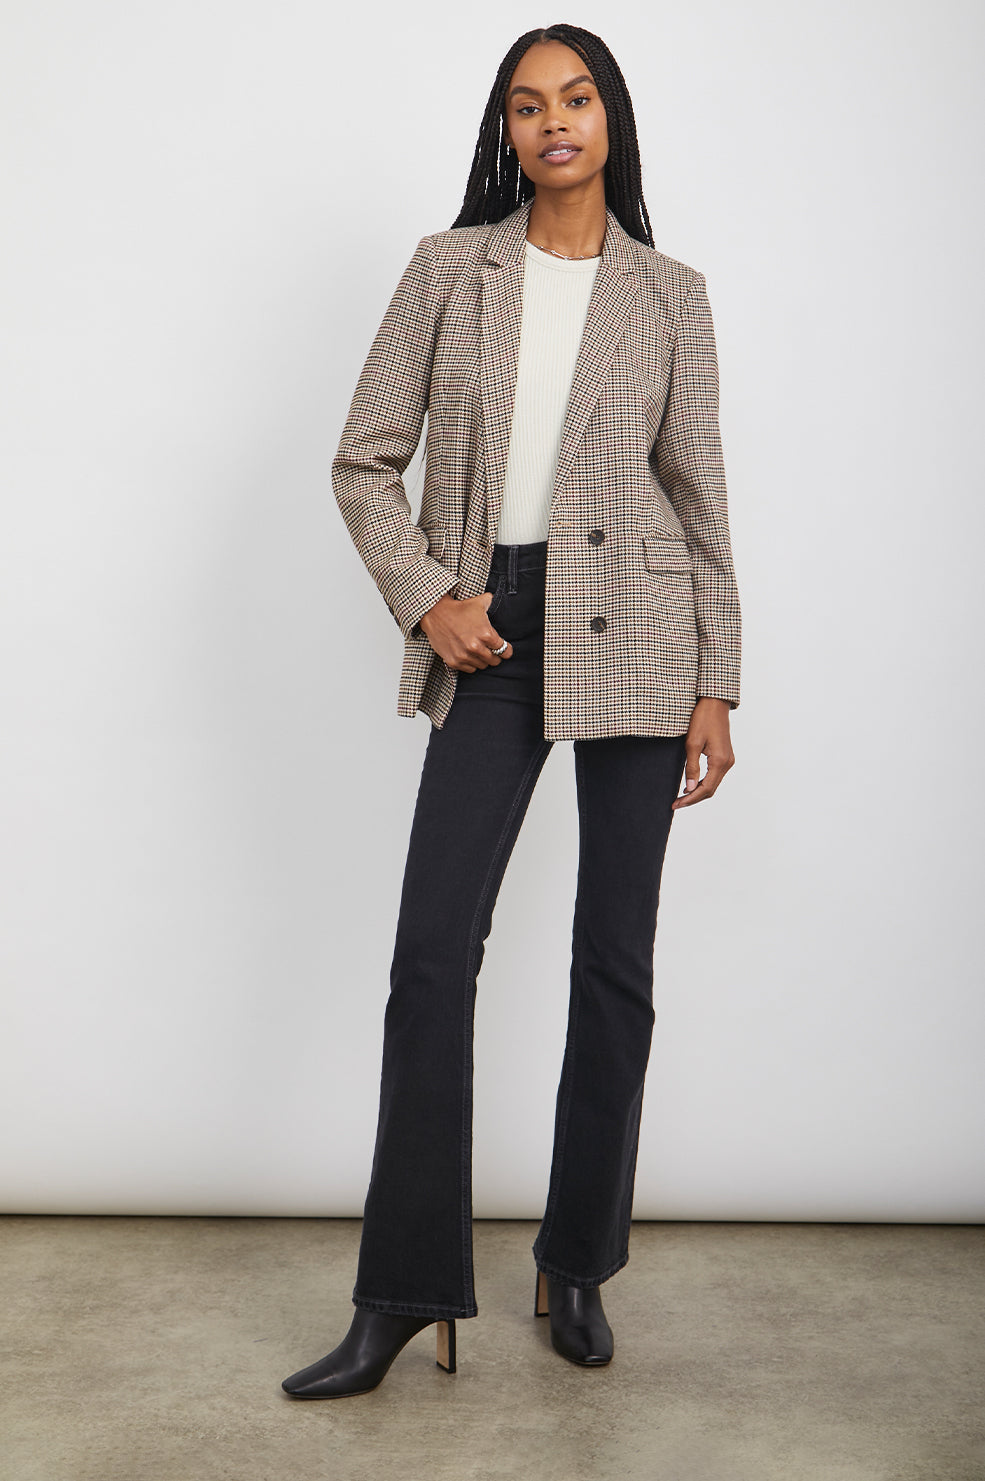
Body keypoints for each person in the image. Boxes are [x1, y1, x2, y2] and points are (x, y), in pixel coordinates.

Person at [282, 22, 741, 1400]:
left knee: (615, 961)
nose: (555, 122)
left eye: (577, 98)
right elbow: (363, 461)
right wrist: (430, 596)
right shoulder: (448, 270)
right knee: (432, 957)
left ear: (611, 119)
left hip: (642, 632)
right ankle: (402, 1292)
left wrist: (717, 678)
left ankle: (576, 1264)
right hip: (491, 623)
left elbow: (701, 498)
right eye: (529, 105)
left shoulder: (670, 293)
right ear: (506, 131)